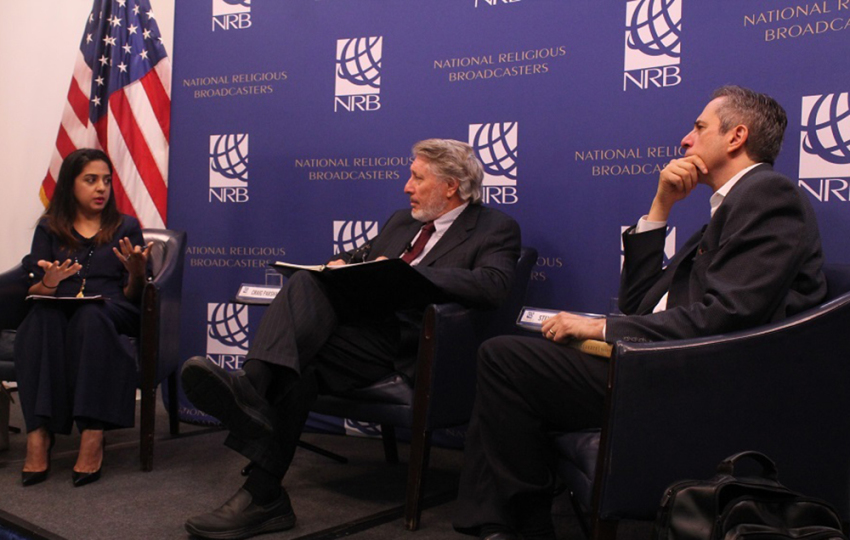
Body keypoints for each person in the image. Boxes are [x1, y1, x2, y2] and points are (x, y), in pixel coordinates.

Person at [453, 86, 827, 540]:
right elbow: (638, 302)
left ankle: (512, 525)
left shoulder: (767, 195)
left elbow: (729, 314)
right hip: (664, 362)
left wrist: (600, 327)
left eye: (699, 127)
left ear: (736, 136)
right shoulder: (729, 207)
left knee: (505, 359)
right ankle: (508, 523)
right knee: (510, 360)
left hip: (699, 380)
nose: (686, 139)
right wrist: (661, 205)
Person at [181, 138, 522, 539]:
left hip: (411, 343)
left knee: (300, 360)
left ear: (451, 185)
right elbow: (361, 257)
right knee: (306, 291)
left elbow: (493, 286)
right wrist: (340, 265)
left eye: (417, 178)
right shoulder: (401, 222)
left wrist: (406, 274)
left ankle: (253, 405)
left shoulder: (494, 227)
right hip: (359, 330)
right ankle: (262, 489)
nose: (407, 187)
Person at [14, 148, 153, 488]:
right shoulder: (49, 227)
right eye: (90, 180)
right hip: (60, 306)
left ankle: (93, 432)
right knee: (40, 317)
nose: (101, 188)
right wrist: (49, 282)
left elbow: (134, 295)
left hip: (113, 308)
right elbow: (36, 289)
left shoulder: (126, 226)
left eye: (106, 180)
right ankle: (39, 432)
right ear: (70, 184)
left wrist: (137, 272)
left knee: (91, 314)